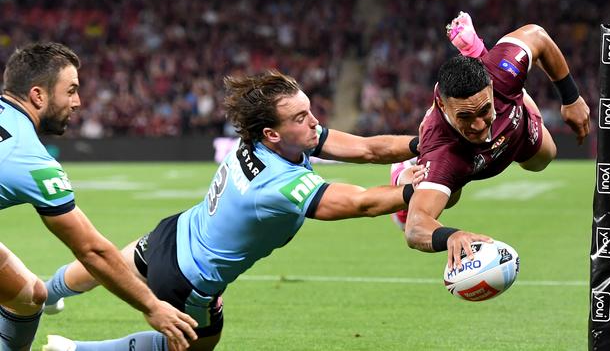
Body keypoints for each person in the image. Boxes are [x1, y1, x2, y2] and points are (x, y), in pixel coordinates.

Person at [42, 70, 424, 351]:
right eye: (300, 117)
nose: (314, 122)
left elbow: (369, 149)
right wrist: (417, 188)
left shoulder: (272, 140)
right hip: (189, 280)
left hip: (172, 233)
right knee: (192, 346)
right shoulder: (276, 182)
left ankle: (42, 293)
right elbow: (361, 202)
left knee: (107, 265)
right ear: (272, 134)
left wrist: (422, 145)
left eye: (310, 111)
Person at [0, 42, 199, 350]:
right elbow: (92, 251)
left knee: (29, 296)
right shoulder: (30, 160)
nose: (78, 102)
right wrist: (152, 306)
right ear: (38, 95)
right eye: (71, 91)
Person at [391, 12, 591, 270]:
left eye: (483, 110)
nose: (478, 125)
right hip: (461, 156)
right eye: (465, 116)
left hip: (513, 129)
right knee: (449, 198)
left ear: (490, 87)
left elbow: (538, 37)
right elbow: (416, 227)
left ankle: (476, 51)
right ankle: (404, 172)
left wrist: (571, 98)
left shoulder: (501, 70)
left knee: (544, 157)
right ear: (442, 105)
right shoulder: (442, 152)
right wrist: (451, 235)